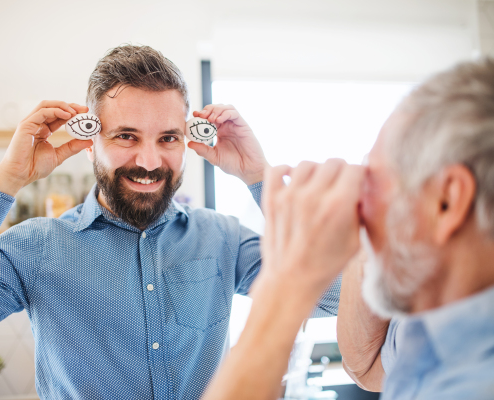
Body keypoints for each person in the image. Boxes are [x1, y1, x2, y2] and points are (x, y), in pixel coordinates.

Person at [0, 45, 340, 400]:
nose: (149, 161)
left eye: (167, 138)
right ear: (90, 142)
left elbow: (335, 299)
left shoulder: (221, 237)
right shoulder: (33, 248)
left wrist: (260, 178)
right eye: (126, 136)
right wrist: (7, 180)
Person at [200, 58, 494, 400]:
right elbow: (365, 367)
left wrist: (288, 283)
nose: (359, 208)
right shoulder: (430, 328)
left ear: (446, 200)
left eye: (373, 178)